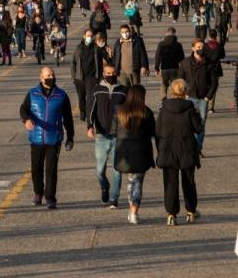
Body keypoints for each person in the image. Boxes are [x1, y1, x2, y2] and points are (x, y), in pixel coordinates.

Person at [20, 67, 75, 209]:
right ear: (41, 78)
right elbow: (23, 109)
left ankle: (50, 197)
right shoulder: (32, 94)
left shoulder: (61, 95)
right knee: (36, 168)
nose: (51, 77)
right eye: (47, 75)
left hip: (54, 138)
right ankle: (38, 193)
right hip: (36, 138)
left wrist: (70, 137)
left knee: (51, 170)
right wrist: (26, 120)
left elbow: (68, 118)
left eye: (52, 75)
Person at [155, 79, 203, 226]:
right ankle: (190, 211)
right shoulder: (191, 107)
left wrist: (160, 148)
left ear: (171, 91)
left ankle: (171, 213)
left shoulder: (163, 108)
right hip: (187, 148)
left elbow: (157, 131)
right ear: (185, 92)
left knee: (170, 183)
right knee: (189, 181)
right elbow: (198, 128)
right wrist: (197, 115)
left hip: (168, 149)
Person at [114, 85, 156, 225]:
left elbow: (113, 130)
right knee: (137, 182)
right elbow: (153, 131)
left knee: (131, 181)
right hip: (141, 152)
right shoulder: (145, 112)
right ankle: (133, 211)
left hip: (124, 152)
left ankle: (130, 210)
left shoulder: (120, 111)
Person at [87, 65, 128, 208]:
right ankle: (105, 187)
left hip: (118, 135)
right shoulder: (97, 90)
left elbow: (127, 112)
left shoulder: (123, 91)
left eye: (113, 73)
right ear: (103, 74)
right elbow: (91, 109)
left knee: (117, 170)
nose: (111, 75)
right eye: (108, 73)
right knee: (100, 171)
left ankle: (114, 199)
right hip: (101, 135)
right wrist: (89, 126)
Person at [177, 38, 217, 153]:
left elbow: (214, 82)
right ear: (193, 48)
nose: (201, 49)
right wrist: (183, 94)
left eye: (202, 47)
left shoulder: (209, 63)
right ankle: (192, 146)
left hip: (203, 98)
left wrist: (208, 96)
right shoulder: (185, 63)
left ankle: (198, 147)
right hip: (189, 97)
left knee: (201, 124)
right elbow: (180, 80)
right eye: (198, 47)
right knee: (190, 123)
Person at [71, 29, 101, 121]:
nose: (90, 37)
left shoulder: (96, 48)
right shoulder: (79, 48)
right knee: (81, 97)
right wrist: (74, 78)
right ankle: (82, 112)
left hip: (91, 78)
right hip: (80, 77)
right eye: (88, 35)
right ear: (84, 36)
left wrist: (99, 77)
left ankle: (89, 114)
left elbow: (101, 63)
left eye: (91, 36)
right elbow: (73, 63)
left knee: (90, 97)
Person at [154, 27, 185, 101]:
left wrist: (156, 68)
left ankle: (163, 99)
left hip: (164, 68)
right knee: (174, 85)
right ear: (174, 33)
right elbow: (182, 57)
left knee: (164, 85)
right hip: (175, 68)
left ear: (166, 33)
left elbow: (157, 56)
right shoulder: (178, 44)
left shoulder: (161, 44)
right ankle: (173, 99)